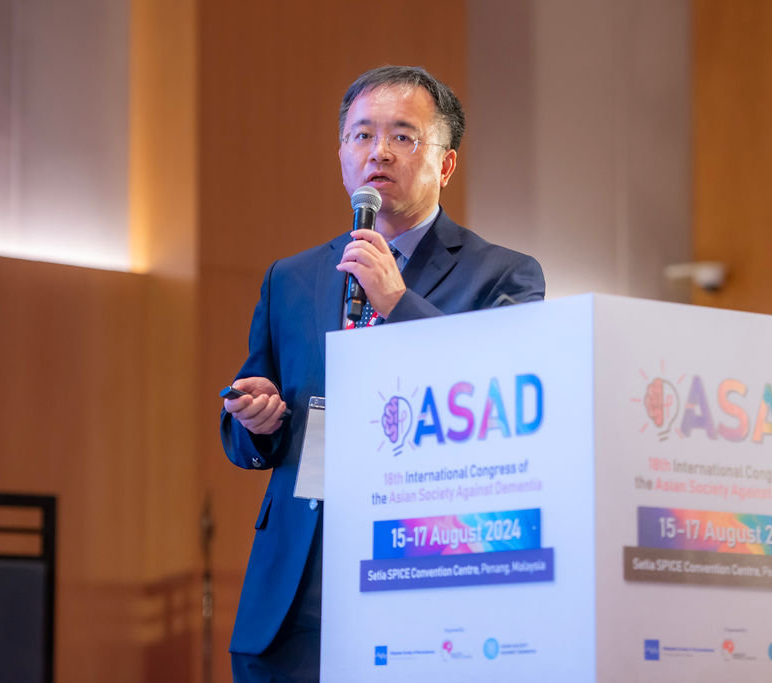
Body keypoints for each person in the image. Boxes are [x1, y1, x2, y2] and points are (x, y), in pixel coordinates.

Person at [220, 65, 545, 681]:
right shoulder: (292, 277)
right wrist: (256, 418)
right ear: (342, 154)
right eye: (362, 135)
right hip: (301, 581)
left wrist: (398, 303)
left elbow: (499, 401)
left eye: (402, 136)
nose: (379, 152)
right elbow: (246, 439)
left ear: (446, 165)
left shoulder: (504, 275)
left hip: (426, 567)